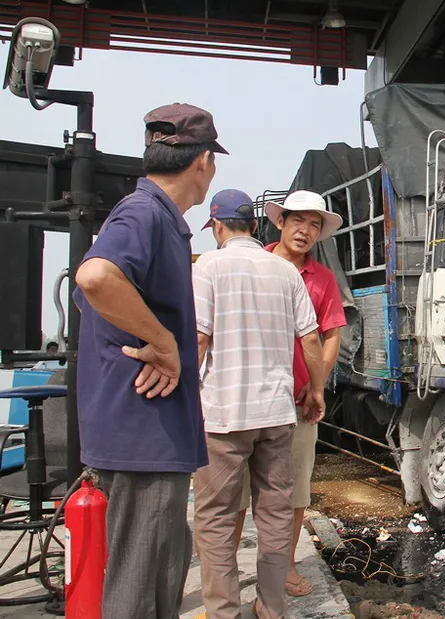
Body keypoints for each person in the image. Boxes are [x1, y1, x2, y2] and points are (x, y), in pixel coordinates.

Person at [73, 103, 225, 619]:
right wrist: (162, 343)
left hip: (146, 433)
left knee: (161, 570)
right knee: (138, 584)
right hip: (143, 433)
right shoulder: (145, 213)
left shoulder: (156, 218)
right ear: (204, 161)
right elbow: (95, 279)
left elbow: (95, 296)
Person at [193, 189, 328, 619]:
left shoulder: (207, 266)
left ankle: (223, 612)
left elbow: (199, 338)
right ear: (256, 226)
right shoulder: (285, 272)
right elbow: (311, 339)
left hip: (224, 416)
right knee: (274, 514)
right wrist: (317, 389)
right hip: (276, 415)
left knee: (216, 518)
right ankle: (271, 609)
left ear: (217, 226)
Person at [232, 190, 346, 597]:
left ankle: (284, 565)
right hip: (246, 398)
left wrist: (316, 384)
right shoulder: (252, 266)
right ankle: (227, 570)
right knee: (235, 491)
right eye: (298, 220)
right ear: (279, 222)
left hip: (297, 403)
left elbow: (331, 335)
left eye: (314, 224)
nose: (305, 231)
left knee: (295, 488)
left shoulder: (323, 279)